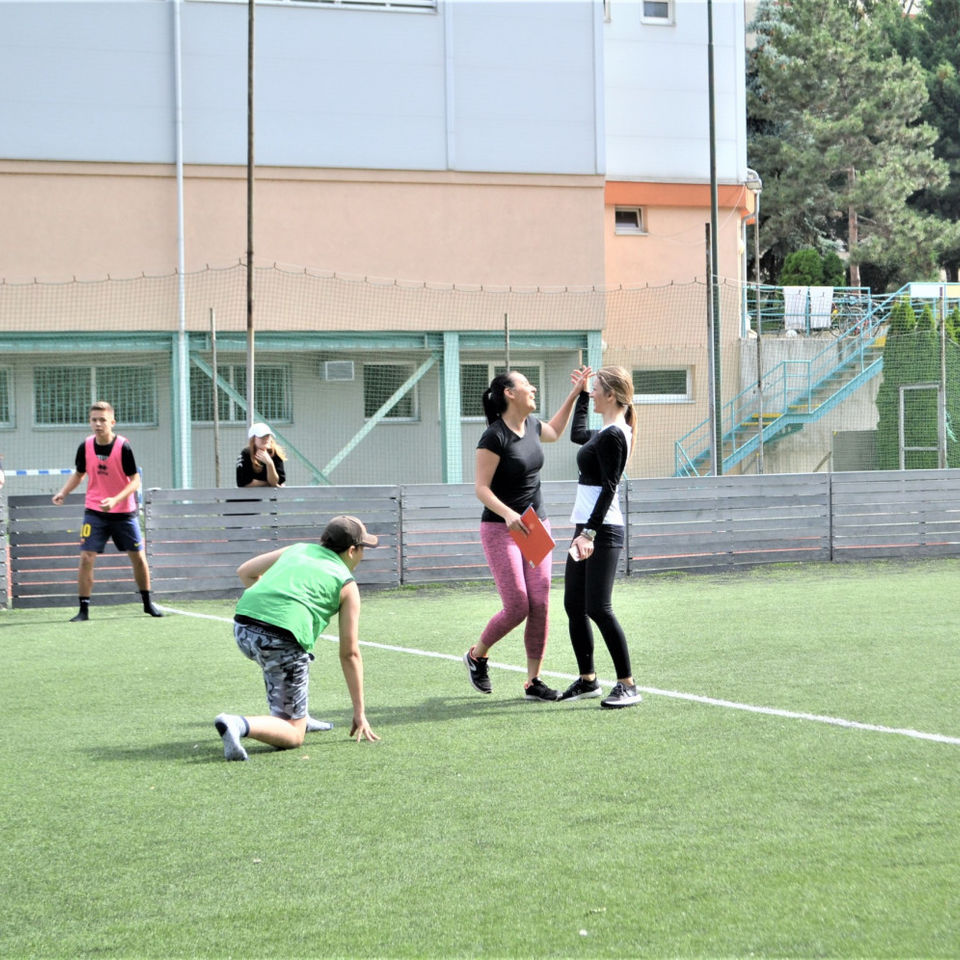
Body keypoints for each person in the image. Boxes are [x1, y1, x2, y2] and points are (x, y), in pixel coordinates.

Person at [464, 366, 591, 701]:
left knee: (540, 602)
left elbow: (555, 431)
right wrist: (507, 515)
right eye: (526, 384)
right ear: (509, 393)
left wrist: (577, 393)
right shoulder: (494, 436)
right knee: (518, 604)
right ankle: (477, 655)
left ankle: (533, 681)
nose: (532, 388)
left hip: (536, 526)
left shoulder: (534, 426)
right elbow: (481, 488)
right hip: (500, 528)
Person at [214, 514, 380, 761]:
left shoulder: (298, 549)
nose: (363, 555)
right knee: (293, 735)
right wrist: (360, 712)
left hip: (243, 628)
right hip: (279, 641)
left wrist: (273, 606)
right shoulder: (347, 584)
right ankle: (239, 724)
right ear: (352, 550)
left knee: (282, 664)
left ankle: (297, 713)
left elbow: (246, 573)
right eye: (363, 549)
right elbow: (350, 653)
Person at [561, 366, 642, 708]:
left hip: (602, 529)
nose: (592, 393)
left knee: (598, 607)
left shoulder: (614, 434)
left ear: (611, 395)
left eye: (595, 389)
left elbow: (610, 487)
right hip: (587, 527)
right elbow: (577, 434)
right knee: (574, 605)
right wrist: (579, 393)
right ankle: (588, 680)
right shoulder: (604, 430)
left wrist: (590, 533)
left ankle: (628, 684)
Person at [51, 401, 162, 622]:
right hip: (95, 511)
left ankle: (148, 603)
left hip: (123, 512)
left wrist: (116, 499)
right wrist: (63, 492)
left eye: (103, 420)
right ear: (90, 422)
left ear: (112, 422)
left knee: (138, 557)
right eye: (94, 420)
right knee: (86, 557)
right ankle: (83, 610)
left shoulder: (123, 447)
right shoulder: (86, 446)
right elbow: (79, 473)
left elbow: (135, 480)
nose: (98, 424)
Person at [236, 423, 287, 488]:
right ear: (253, 439)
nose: (266, 439)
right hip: (247, 496)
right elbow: (242, 482)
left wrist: (269, 463)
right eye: (262, 436)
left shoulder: (275, 453)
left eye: (268, 435)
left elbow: (277, 481)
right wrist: (268, 483)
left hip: (270, 496)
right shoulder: (246, 453)